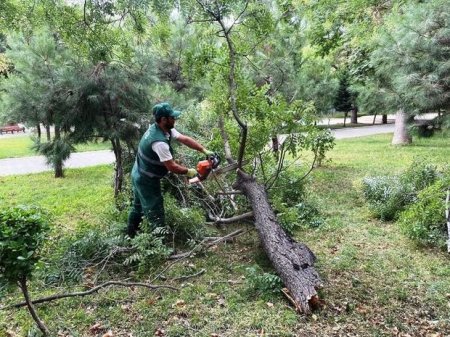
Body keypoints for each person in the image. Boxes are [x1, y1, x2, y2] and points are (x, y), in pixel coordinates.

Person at [127, 102, 213, 237]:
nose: (175, 119)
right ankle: (159, 243)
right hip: (146, 179)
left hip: (138, 171)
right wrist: (189, 171)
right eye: (172, 117)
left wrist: (203, 150)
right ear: (163, 119)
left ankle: (131, 234)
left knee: (138, 206)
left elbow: (184, 139)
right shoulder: (159, 143)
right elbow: (171, 166)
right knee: (155, 210)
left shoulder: (163, 129)